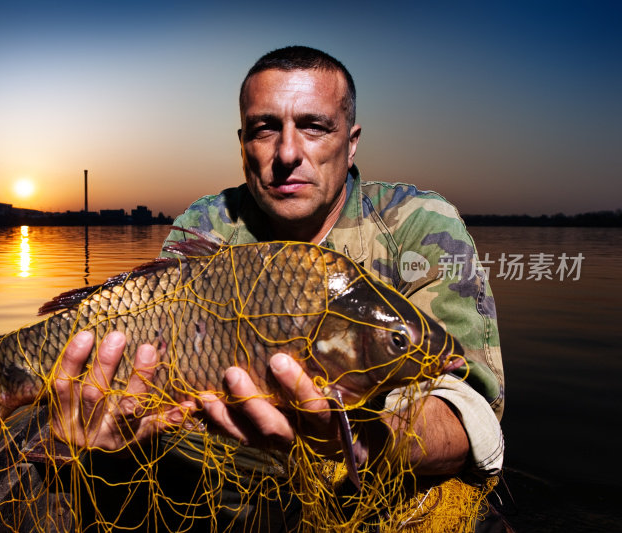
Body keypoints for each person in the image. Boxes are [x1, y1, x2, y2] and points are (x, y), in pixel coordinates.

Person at [52, 46, 506, 531]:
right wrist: (122, 422)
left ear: (351, 142)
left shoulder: (418, 225)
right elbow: (159, 386)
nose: (287, 153)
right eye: (265, 128)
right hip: (234, 497)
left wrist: (355, 440)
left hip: (375, 500)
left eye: (314, 126)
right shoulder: (207, 226)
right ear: (243, 141)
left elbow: (471, 413)